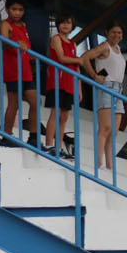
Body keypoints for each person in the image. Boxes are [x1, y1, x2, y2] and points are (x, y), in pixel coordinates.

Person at [80, 21, 127, 172]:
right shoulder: (104, 46)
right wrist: (94, 76)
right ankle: (99, 163)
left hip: (118, 89)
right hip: (107, 87)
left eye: (119, 33)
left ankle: (109, 165)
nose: (117, 35)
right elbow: (85, 57)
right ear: (106, 33)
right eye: (114, 32)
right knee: (105, 128)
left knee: (114, 130)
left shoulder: (118, 49)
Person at [0, 0, 40, 148]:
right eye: (14, 9)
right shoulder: (5, 24)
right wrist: (16, 44)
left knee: (35, 102)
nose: (17, 12)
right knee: (14, 103)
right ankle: (6, 136)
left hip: (26, 70)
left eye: (20, 10)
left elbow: (26, 48)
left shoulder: (23, 25)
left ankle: (34, 137)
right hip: (13, 69)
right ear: (7, 9)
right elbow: (3, 42)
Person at [42, 13, 81, 159]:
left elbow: (77, 69)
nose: (65, 25)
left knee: (64, 116)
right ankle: (48, 144)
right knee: (55, 112)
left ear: (72, 26)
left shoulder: (73, 44)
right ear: (58, 24)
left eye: (68, 22)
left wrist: (79, 88)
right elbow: (61, 57)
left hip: (70, 83)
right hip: (57, 81)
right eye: (63, 22)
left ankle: (58, 147)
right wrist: (79, 61)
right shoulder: (56, 39)